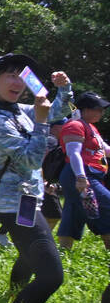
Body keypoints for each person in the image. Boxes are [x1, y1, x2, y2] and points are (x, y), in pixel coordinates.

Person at [0, 54, 73, 303]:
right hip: (13, 204)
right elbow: (31, 160)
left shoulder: (17, 110)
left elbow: (58, 111)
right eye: (9, 75)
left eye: (22, 76)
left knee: (28, 255)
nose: (17, 82)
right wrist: (42, 123)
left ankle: (13, 295)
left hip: (26, 199)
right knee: (52, 276)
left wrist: (64, 88)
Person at [56, 92, 110, 250]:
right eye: (98, 108)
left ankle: (64, 252)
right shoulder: (75, 125)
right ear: (85, 110)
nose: (102, 112)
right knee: (106, 205)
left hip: (86, 175)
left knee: (73, 213)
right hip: (80, 175)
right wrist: (81, 177)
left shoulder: (91, 127)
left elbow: (105, 150)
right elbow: (74, 153)